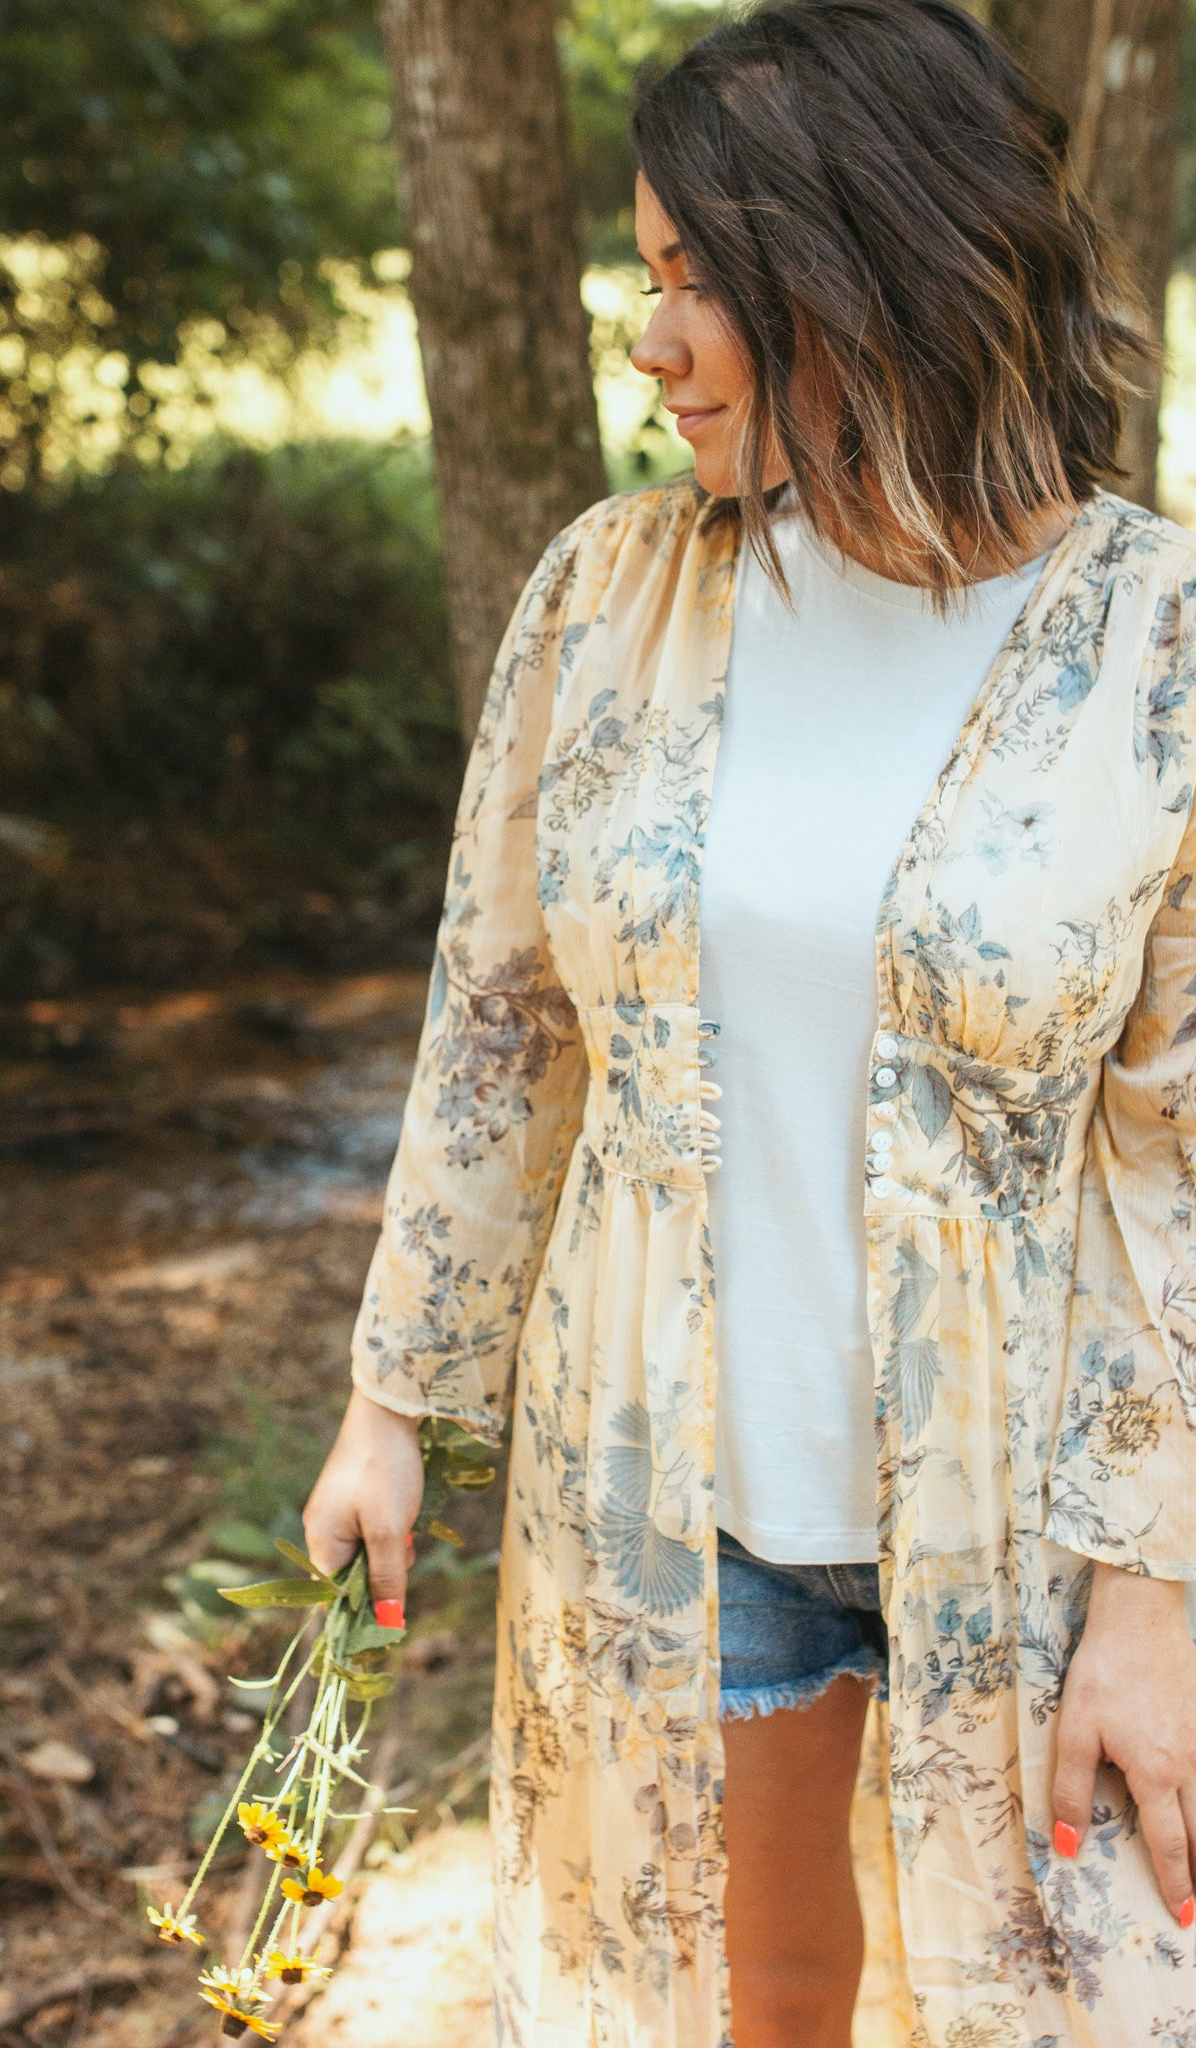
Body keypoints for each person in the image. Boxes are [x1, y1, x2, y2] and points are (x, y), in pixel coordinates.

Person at [302, 2, 1196, 2043]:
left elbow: (1173, 1164)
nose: (648, 339)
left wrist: (1149, 1603)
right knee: (738, 1992)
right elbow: (498, 1024)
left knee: (1068, 2003)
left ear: (867, 268)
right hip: (670, 1467)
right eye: (647, 277)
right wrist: (387, 1406)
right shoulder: (605, 596)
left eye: (702, 282)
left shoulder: (1149, 640)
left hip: (1028, 1501)